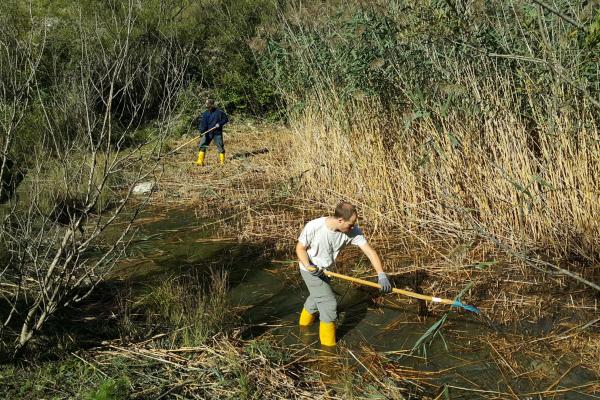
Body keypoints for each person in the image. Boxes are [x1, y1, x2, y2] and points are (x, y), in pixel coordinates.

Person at [296, 201, 392, 346]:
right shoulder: (314, 226)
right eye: (350, 224)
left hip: (326, 270)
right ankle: (328, 349)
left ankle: (303, 326)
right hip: (309, 270)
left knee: (317, 298)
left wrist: (381, 275)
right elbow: (300, 249)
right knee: (329, 305)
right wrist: (309, 266)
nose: (353, 227)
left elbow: (370, 252)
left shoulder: (352, 231)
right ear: (340, 220)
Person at [195, 99, 229, 166]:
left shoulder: (219, 112)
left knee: (220, 147)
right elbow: (203, 124)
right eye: (207, 106)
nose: (208, 107)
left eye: (208, 105)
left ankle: (222, 162)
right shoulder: (205, 113)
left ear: (212, 105)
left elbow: (226, 119)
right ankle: (200, 161)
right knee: (202, 145)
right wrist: (201, 131)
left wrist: (219, 123)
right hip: (208, 133)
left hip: (217, 133)